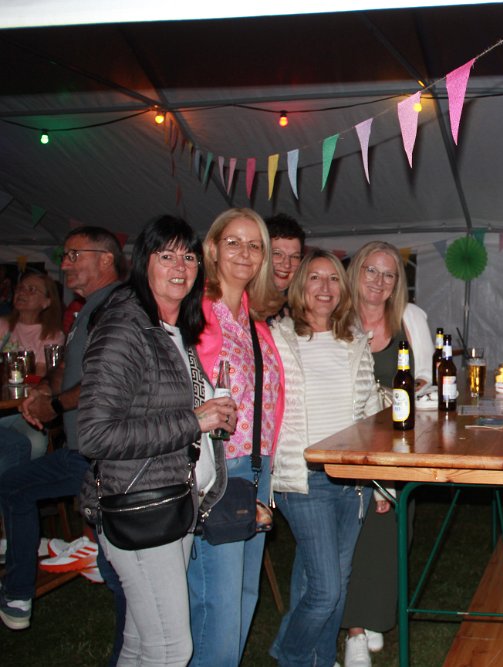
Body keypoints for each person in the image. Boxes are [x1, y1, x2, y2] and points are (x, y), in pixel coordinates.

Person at [77, 216, 233, 666]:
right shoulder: (124, 327)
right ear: (144, 261)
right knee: (171, 649)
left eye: (189, 257)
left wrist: (208, 416)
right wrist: (193, 421)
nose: (180, 267)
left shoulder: (172, 329)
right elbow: (94, 434)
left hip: (170, 501)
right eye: (167, 256)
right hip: (138, 504)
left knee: (140, 641)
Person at [0, 227, 126, 639]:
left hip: (106, 458)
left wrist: (54, 405)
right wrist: (45, 389)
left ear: (105, 259)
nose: (65, 264)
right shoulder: (86, 309)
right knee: (14, 487)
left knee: (121, 571)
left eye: (74, 255)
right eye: (65, 255)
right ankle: (20, 591)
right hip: (82, 453)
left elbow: (104, 380)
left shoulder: (117, 307)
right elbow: (68, 365)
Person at [269, 249, 383, 667]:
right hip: (305, 478)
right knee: (325, 591)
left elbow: (370, 411)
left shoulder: (355, 342)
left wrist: (381, 481)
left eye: (334, 278)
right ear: (300, 286)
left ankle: (320, 659)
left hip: (352, 482)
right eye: (315, 278)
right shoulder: (278, 338)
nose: (325, 287)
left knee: (331, 582)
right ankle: (293, 657)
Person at [188, 208, 285, 666]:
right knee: (219, 606)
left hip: (257, 471)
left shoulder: (255, 323)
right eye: (233, 242)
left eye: (254, 245)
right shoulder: (193, 315)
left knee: (245, 596)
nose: (245, 253)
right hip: (216, 471)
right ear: (212, 248)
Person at [341, 240, 432, 667]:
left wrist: (411, 392)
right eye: (371, 271)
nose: (379, 281)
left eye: (389, 274)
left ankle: (375, 612)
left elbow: (428, 379)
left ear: (398, 283)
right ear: (356, 273)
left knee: (394, 532)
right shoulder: (337, 317)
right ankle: (355, 631)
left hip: (397, 446)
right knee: (357, 535)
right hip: (349, 446)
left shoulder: (410, 318)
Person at [0, 272, 65, 475]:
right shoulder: (2, 325)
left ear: (47, 302)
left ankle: (14, 486)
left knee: (35, 442)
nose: (22, 292)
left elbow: (43, 377)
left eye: (31, 290)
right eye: (20, 288)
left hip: (22, 409)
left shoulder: (52, 335)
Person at [265, 213, 306, 307]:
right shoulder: (240, 304)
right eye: (277, 253)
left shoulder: (298, 308)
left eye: (295, 256)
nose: (287, 264)